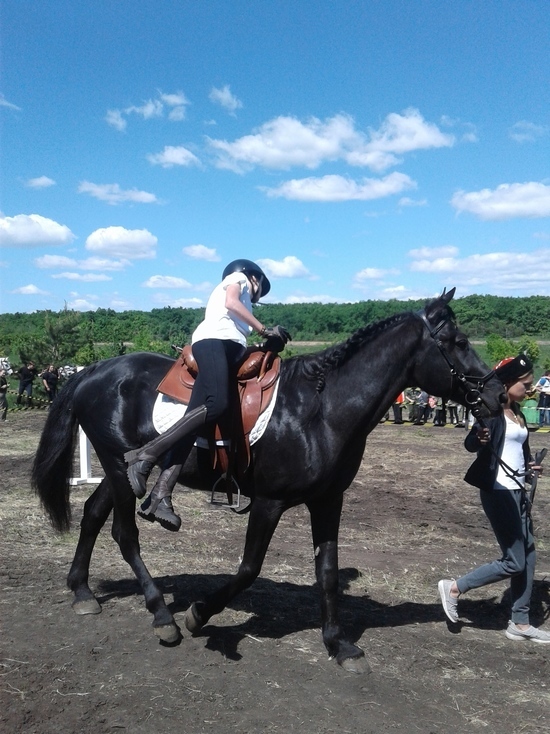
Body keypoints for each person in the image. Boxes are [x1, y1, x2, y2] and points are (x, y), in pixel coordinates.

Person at [125, 259, 291, 531]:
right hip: (215, 343)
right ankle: (144, 456)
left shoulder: (242, 296)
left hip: (228, 347)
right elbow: (231, 304)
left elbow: (236, 326)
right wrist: (264, 328)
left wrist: (264, 341)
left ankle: (159, 496)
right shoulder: (238, 279)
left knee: (194, 421)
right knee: (217, 404)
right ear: (255, 278)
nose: (258, 295)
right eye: (260, 288)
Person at [438, 354, 550, 643]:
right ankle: (454, 587)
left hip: (517, 490)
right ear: (508, 382)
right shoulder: (491, 413)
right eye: (524, 384)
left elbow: (519, 451)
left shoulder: (519, 414)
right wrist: (480, 440)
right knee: (514, 560)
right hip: (497, 491)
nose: (529, 389)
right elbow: (471, 443)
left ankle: (520, 623)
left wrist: (530, 468)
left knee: (529, 555)